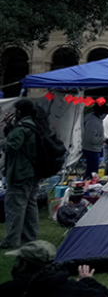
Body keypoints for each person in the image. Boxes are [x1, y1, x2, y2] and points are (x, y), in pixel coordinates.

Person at [0, 240, 108, 296]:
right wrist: (87, 280)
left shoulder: (10, 289)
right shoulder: (72, 288)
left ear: (23, 264)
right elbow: (104, 294)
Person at [1, 99, 40, 249]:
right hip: (35, 172)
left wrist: (5, 139)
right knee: (30, 207)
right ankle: (30, 238)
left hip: (20, 172)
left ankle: (12, 240)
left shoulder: (22, 127)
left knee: (15, 207)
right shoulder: (37, 124)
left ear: (19, 111)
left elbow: (11, 147)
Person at [82, 104, 106, 177]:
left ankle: (89, 182)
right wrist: (103, 140)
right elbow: (90, 138)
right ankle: (88, 182)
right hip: (91, 148)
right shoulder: (92, 122)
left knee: (92, 169)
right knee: (92, 170)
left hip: (95, 148)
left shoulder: (97, 120)